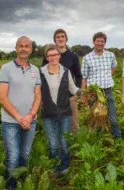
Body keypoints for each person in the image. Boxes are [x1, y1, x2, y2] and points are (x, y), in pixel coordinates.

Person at [0, 36, 41, 189]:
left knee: (24, 155)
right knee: (13, 157)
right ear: (16, 48)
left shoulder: (35, 70)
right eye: (20, 46)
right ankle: (11, 186)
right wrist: (19, 118)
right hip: (10, 122)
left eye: (27, 46)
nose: (23, 49)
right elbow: (2, 98)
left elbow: (38, 96)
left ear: (30, 49)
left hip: (30, 120)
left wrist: (30, 116)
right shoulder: (6, 68)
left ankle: (21, 183)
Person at [40, 44, 81, 177]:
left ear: (59, 55)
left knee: (64, 142)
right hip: (48, 113)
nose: (53, 57)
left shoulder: (66, 71)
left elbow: (73, 88)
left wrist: (83, 92)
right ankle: (54, 167)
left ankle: (64, 167)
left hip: (64, 112)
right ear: (46, 57)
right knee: (52, 144)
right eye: (50, 55)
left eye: (55, 54)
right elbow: (36, 92)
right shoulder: (41, 72)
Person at [81, 32, 121, 139]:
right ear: (94, 42)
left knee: (113, 119)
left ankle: (119, 142)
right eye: (98, 41)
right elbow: (84, 77)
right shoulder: (87, 58)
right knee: (97, 119)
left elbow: (113, 68)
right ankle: (99, 142)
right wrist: (84, 95)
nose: (100, 43)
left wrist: (106, 77)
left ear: (105, 43)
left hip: (107, 91)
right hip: (93, 93)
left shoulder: (110, 55)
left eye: (102, 41)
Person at [42, 29, 82, 132]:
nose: (60, 39)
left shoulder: (73, 56)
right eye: (58, 37)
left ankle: (73, 146)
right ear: (55, 40)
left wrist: (77, 94)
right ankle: (59, 145)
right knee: (56, 126)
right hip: (53, 98)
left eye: (62, 36)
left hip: (70, 96)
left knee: (74, 126)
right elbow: (43, 77)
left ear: (66, 38)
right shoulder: (48, 56)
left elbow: (78, 75)